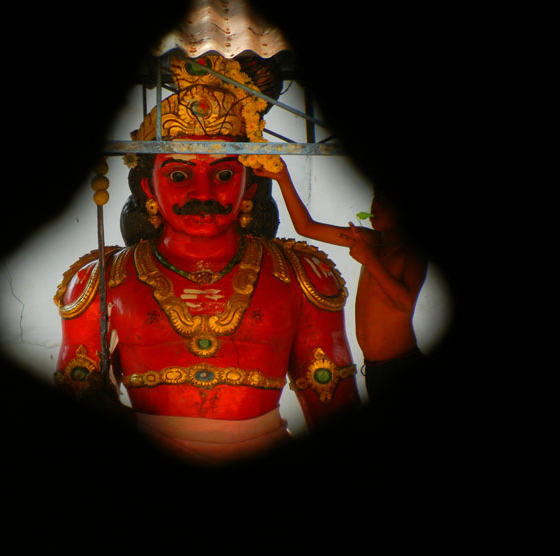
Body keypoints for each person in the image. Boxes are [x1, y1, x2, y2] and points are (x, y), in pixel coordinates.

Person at [53, 55, 359, 465]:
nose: (205, 191)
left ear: (250, 186)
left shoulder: (303, 276)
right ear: (148, 186)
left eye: (225, 173)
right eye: (179, 175)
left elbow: (332, 405)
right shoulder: (100, 280)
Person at [254, 161, 428, 402]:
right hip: (374, 370)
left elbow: (405, 302)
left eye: (384, 201)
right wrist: (283, 178)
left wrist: (368, 259)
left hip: (402, 363)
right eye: (375, 198)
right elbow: (307, 227)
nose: (376, 206)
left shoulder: (411, 250)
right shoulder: (369, 239)